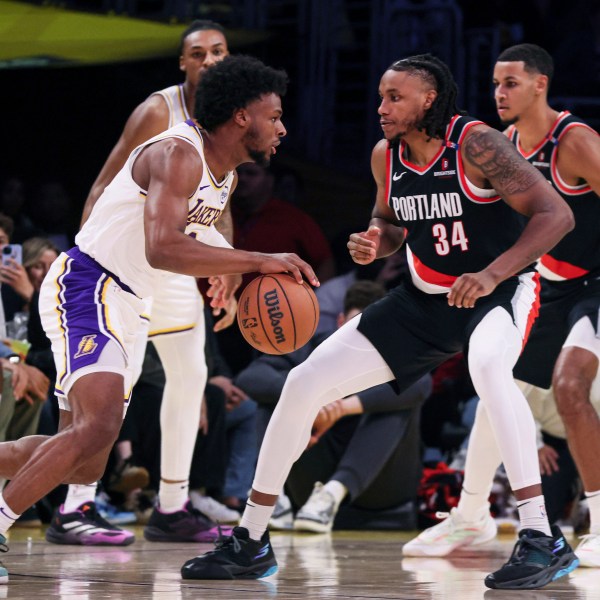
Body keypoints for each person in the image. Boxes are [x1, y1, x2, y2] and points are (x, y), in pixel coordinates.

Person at [181, 53, 577, 591]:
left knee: (489, 369)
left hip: (499, 290)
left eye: (395, 97)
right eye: (380, 97)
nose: (381, 107)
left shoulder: (479, 143)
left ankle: (541, 537)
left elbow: (556, 214)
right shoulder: (385, 156)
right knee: (302, 384)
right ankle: (251, 539)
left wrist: (490, 274)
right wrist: (374, 241)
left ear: (429, 99)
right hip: (422, 297)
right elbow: (390, 221)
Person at [0, 54, 317, 582]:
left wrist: (229, 272)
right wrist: (258, 259)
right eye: (275, 115)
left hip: (129, 303)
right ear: (242, 117)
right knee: (98, 423)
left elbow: (199, 231)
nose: (282, 128)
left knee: (85, 460)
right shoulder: (177, 153)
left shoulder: (225, 177)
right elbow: (163, 247)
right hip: (89, 284)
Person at [403, 43, 600, 570]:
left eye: (511, 82)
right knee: (500, 388)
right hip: (547, 283)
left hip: (596, 283)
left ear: (541, 84)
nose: (499, 93)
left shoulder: (576, 141)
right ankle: (470, 514)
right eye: (494, 83)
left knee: (570, 386)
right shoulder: (503, 145)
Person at [47, 20, 236, 546]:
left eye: (218, 51)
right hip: (129, 258)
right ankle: (76, 504)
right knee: (113, 383)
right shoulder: (160, 111)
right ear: (183, 63)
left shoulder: (230, 119)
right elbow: (106, 180)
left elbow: (217, 205)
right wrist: (90, 259)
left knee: (190, 372)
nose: (209, 60)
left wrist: (227, 269)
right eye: (198, 53)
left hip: (176, 260)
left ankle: (173, 505)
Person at [235, 280, 431, 533]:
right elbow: (252, 377)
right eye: (356, 326)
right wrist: (310, 397)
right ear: (340, 322)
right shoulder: (318, 346)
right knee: (275, 399)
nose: (365, 338)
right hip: (312, 478)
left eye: (373, 328)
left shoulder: (399, 353)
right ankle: (276, 498)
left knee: (402, 397)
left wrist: (343, 407)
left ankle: (334, 492)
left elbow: (422, 383)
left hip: (382, 486)